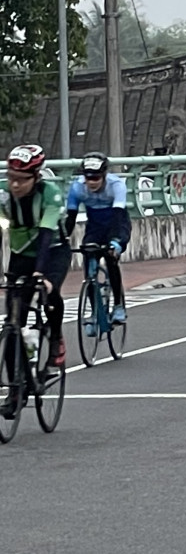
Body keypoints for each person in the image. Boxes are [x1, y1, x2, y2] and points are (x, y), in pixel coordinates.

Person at [1, 145, 70, 396]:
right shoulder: (3, 194)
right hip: (20, 256)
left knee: (49, 290)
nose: (15, 185)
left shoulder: (49, 194)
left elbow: (45, 236)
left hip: (51, 253)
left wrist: (41, 274)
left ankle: (55, 340)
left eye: (21, 180)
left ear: (36, 177)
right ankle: (16, 388)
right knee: (12, 323)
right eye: (11, 179)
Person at [65, 152, 133, 329]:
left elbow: (119, 217)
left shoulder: (116, 185)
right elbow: (70, 218)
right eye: (88, 178)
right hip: (95, 225)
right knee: (89, 266)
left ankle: (118, 305)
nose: (92, 182)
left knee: (111, 259)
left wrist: (116, 241)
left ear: (104, 175)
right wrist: (63, 239)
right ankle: (95, 312)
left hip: (116, 223)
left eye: (96, 178)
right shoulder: (77, 188)